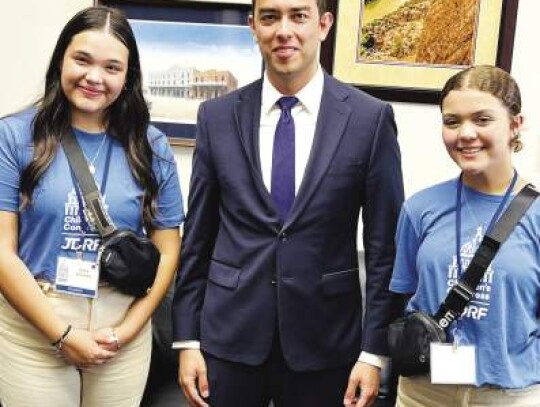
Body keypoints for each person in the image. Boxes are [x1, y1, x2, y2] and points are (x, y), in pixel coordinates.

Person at [171, 0, 404, 405]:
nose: (284, 30)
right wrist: (187, 338)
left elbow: (386, 250)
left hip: (326, 341)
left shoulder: (370, 119)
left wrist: (374, 351)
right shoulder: (217, 116)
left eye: (298, 16)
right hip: (228, 339)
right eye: (269, 17)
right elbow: (198, 236)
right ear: (252, 27)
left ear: (324, 24)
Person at [0, 6, 184, 407]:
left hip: (120, 328)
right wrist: (61, 334)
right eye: (82, 59)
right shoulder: (12, 137)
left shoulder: (152, 147)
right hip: (35, 325)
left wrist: (128, 329)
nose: (94, 77)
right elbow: (1, 252)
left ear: (128, 77)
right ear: (61, 60)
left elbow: (169, 250)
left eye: (112, 67)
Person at [390, 65, 540, 406]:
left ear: (515, 125)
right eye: (452, 121)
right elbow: (401, 299)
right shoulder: (420, 208)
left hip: (511, 395)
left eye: (482, 119)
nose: (465, 133)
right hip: (422, 393)